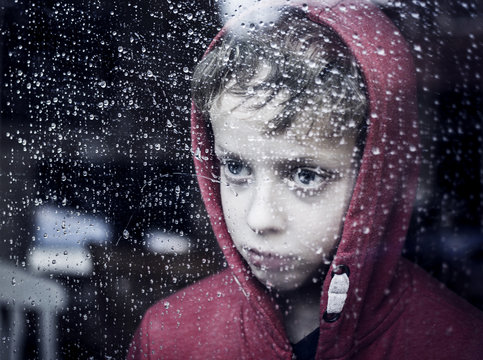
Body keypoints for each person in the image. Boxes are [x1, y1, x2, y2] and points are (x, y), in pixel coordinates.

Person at [128, 1, 483, 359]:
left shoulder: (458, 344)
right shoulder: (170, 337)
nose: (260, 218)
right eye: (235, 168)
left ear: (375, 178)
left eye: (306, 175)